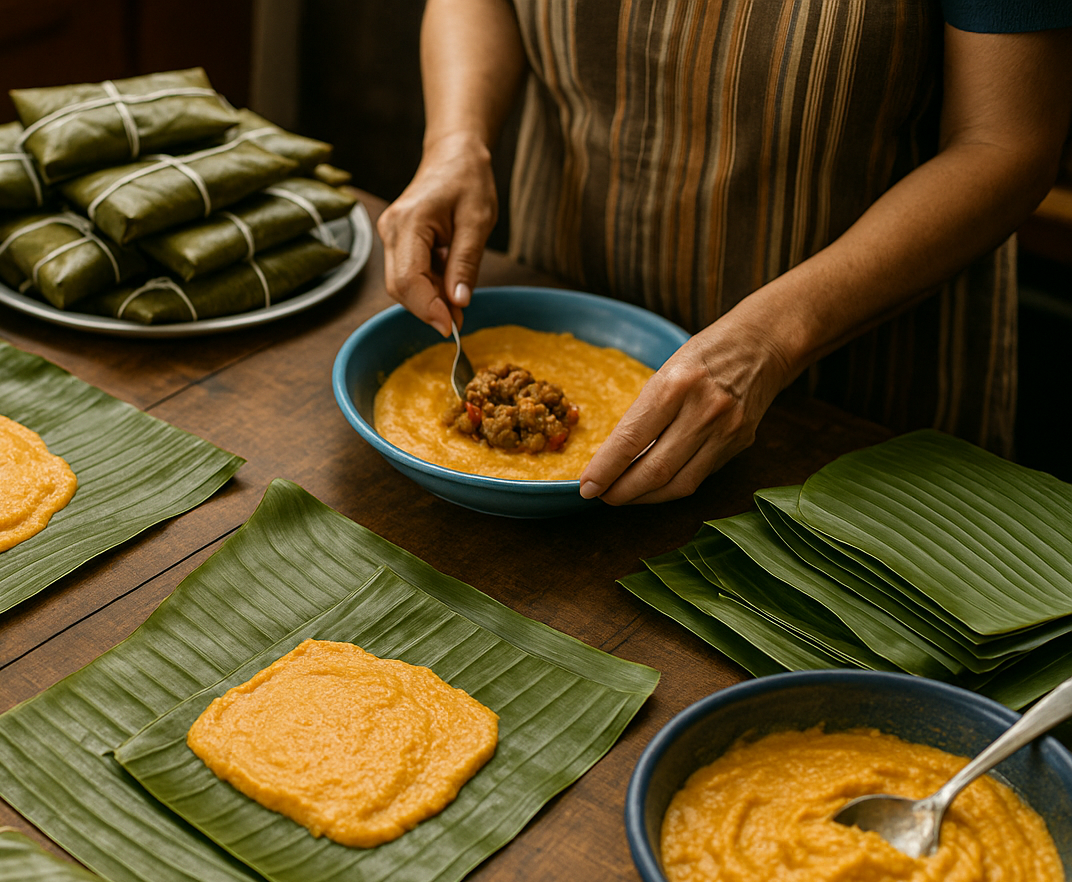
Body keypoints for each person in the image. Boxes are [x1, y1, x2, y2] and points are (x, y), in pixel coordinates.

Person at [379, 0, 1072, 504]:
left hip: (844, 400)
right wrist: (454, 145)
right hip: (568, 266)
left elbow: (1005, 140)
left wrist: (773, 339)